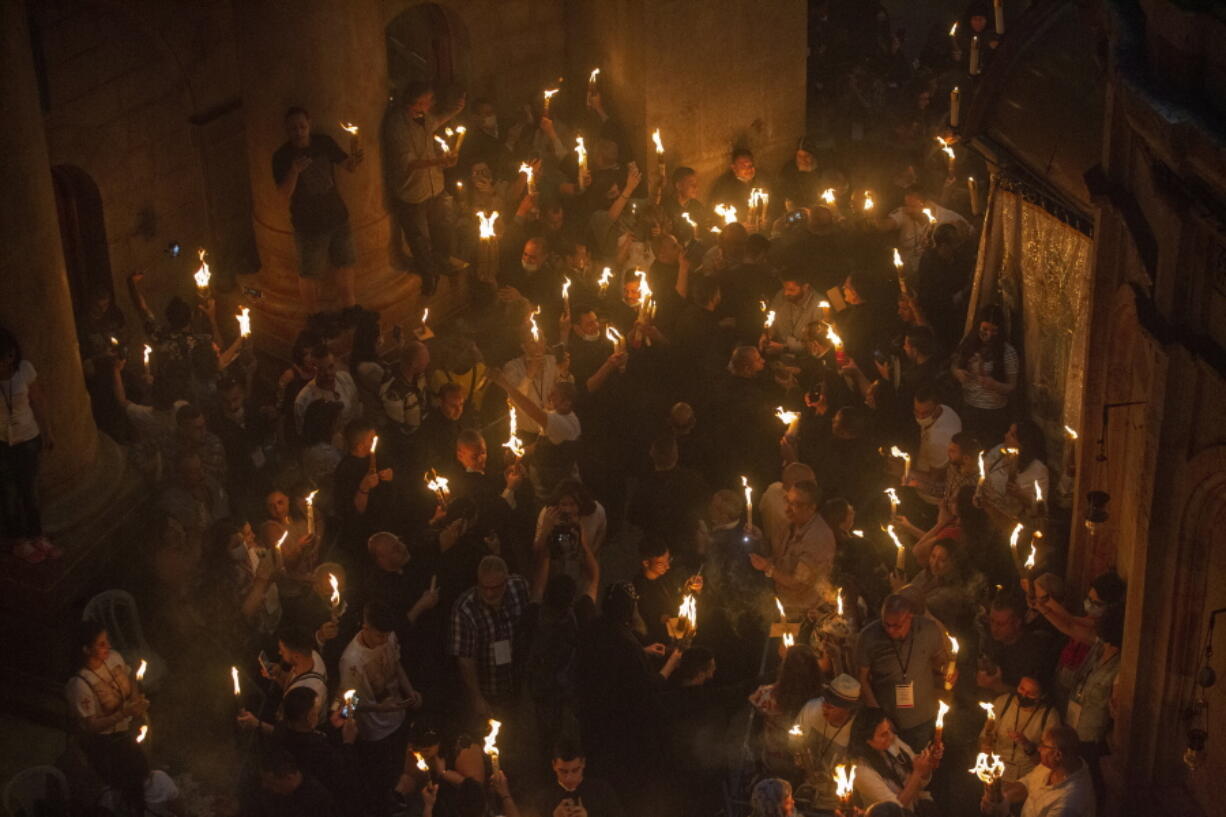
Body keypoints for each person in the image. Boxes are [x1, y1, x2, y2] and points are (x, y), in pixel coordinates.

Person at [272, 107, 362, 312]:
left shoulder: (324, 142)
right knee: (309, 274)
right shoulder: (282, 156)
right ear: (287, 130)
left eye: (302, 126)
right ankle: (314, 317)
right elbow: (284, 193)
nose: (299, 132)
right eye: (293, 128)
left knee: (345, 264)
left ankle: (350, 309)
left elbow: (349, 166)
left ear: (309, 123)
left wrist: (356, 157)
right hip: (308, 226)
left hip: (338, 217)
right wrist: (294, 171)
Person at [338, 600, 423, 808]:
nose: (385, 640)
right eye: (379, 635)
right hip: (376, 731)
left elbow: (396, 665)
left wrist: (410, 690)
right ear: (365, 627)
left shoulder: (389, 637)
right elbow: (350, 704)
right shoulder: (351, 660)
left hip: (398, 716)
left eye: (387, 635)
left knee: (401, 765)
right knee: (383, 776)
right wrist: (380, 708)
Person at [385, 81, 466, 296]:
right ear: (417, 102)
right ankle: (429, 277)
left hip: (435, 187)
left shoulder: (426, 118)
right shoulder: (397, 125)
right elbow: (408, 162)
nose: (432, 104)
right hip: (412, 192)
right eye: (428, 101)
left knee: (444, 223)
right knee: (419, 239)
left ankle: (442, 261)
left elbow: (436, 121)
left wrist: (455, 110)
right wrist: (439, 162)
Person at [856, 594, 948, 751]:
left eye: (897, 625)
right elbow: (862, 679)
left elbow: (939, 660)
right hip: (888, 721)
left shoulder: (928, 630)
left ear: (910, 618)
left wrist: (947, 670)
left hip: (923, 719)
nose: (890, 630)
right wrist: (879, 716)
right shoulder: (868, 637)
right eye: (886, 624)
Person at [0, 326, 58, 562]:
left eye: (9, 356)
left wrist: (48, 432)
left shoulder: (25, 370)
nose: (6, 363)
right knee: (9, 493)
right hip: (2, 443)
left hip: (28, 439)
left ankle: (37, 536)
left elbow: (39, 402)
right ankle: (19, 541)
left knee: (30, 491)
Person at [449, 555, 531, 720]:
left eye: (495, 588)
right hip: (487, 685)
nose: (489, 593)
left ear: (506, 581)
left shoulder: (519, 587)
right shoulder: (465, 609)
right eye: (484, 587)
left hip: (517, 680)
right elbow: (465, 659)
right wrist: (477, 698)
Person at [66, 621, 150, 769]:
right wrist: (124, 713)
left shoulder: (114, 658)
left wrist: (136, 702)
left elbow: (131, 681)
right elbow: (92, 727)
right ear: (87, 649)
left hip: (128, 727)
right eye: (102, 644)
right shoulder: (80, 685)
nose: (109, 647)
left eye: (108, 641)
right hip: (106, 741)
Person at [749, 480, 835, 614]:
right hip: (785, 604)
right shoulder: (792, 524)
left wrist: (768, 568)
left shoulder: (818, 538)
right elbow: (778, 556)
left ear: (812, 507)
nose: (787, 509)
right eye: (787, 501)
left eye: (796, 504)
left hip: (804, 612)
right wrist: (760, 539)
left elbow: (797, 583)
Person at [988, 725, 1096, 817]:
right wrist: (1001, 798)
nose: (1039, 749)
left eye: (1043, 746)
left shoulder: (1069, 802)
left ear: (1058, 755)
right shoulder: (1054, 765)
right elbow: (1028, 782)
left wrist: (1003, 813)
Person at [848, 708, 942, 812]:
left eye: (890, 730)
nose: (891, 737)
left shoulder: (893, 743)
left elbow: (922, 783)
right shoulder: (862, 771)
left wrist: (929, 762)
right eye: (883, 734)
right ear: (867, 741)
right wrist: (917, 773)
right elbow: (895, 809)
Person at [795, 674, 862, 811]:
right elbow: (795, 744)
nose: (824, 707)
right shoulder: (812, 709)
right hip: (809, 793)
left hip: (840, 802)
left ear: (847, 710)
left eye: (831, 706)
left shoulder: (857, 730)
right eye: (825, 700)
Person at [952, 304, 1018, 441]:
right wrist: (957, 372)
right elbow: (954, 364)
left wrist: (995, 384)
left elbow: (1012, 387)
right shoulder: (968, 344)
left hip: (994, 413)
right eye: (985, 329)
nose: (988, 335)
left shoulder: (1008, 352)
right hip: (969, 407)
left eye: (994, 331)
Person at [980, 675, 1063, 783]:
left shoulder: (1049, 715)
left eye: (1031, 694)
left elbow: (1048, 760)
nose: (1024, 695)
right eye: (1022, 689)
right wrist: (985, 746)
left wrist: (1027, 744)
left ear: (1042, 696)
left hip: (1026, 778)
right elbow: (984, 735)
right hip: (996, 770)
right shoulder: (1003, 702)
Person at [978, 592, 1057, 695]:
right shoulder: (992, 642)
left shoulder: (1035, 650)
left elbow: (1036, 696)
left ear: (1017, 622)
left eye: (1001, 624)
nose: (994, 629)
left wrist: (998, 686)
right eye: (992, 621)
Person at [536, 738, 625, 817]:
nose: (569, 778)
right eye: (563, 771)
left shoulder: (603, 792)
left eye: (575, 770)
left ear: (583, 763)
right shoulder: (543, 799)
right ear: (553, 765)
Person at [910, 383, 962, 504]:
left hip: (931, 498)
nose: (920, 417)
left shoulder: (938, 439)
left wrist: (906, 472)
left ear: (937, 406)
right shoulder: (946, 410)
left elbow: (935, 478)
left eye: (926, 413)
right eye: (917, 411)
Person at [294, 349, 359, 435]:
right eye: (321, 369)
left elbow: (356, 408)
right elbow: (304, 434)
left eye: (331, 367)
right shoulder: (303, 399)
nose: (328, 373)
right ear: (313, 369)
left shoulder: (345, 378)